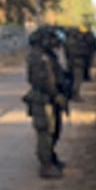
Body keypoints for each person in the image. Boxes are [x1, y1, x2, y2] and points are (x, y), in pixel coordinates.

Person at [25, 25, 69, 178]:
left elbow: (57, 74)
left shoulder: (48, 54)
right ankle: (46, 165)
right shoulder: (38, 57)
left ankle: (50, 157)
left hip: (51, 98)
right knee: (45, 132)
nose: (55, 43)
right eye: (52, 39)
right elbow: (43, 79)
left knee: (55, 130)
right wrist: (55, 94)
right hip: (43, 99)